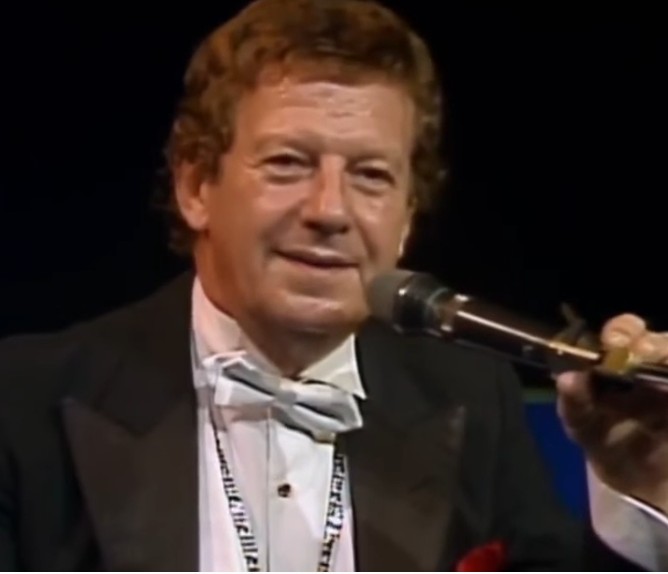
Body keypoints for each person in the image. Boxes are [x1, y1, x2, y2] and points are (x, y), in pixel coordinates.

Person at [0, 0, 666, 570]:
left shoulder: (470, 401)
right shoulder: (26, 402)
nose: (330, 210)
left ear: (407, 218)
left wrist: (640, 494)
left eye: (371, 175)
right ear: (196, 186)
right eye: (288, 163)